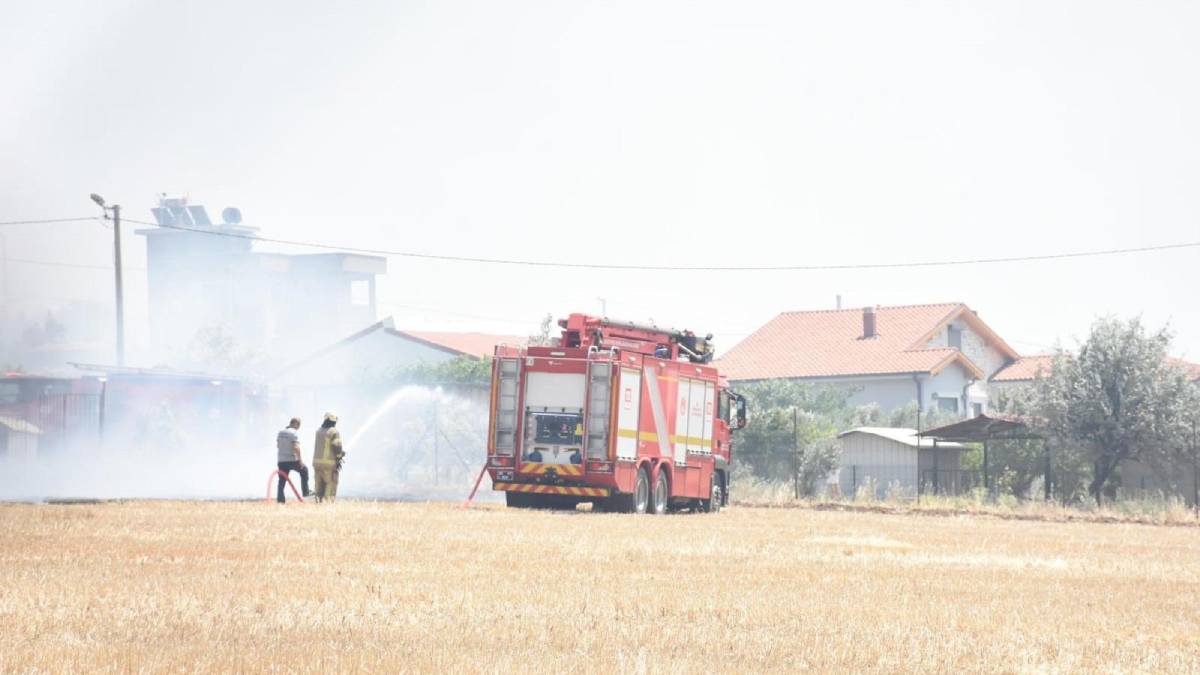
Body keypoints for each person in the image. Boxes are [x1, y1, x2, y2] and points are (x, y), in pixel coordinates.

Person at [276, 417, 312, 503]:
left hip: (281, 461)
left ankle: (280, 501)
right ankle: (306, 492)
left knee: (282, 481)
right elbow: (296, 447)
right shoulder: (294, 433)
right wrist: (300, 461)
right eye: (299, 425)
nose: (298, 428)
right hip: (292, 460)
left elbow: (278, 445)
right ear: (296, 424)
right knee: (304, 470)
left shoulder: (280, 432)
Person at [312, 411, 346, 502]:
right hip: (328, 464)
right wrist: (340, 455)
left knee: (318, 485)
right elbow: (337, 446)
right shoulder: (334, 431)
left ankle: (318, 502)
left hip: (316, 463)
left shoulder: (318, 431)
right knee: (330, 484)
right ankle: (327, 503)